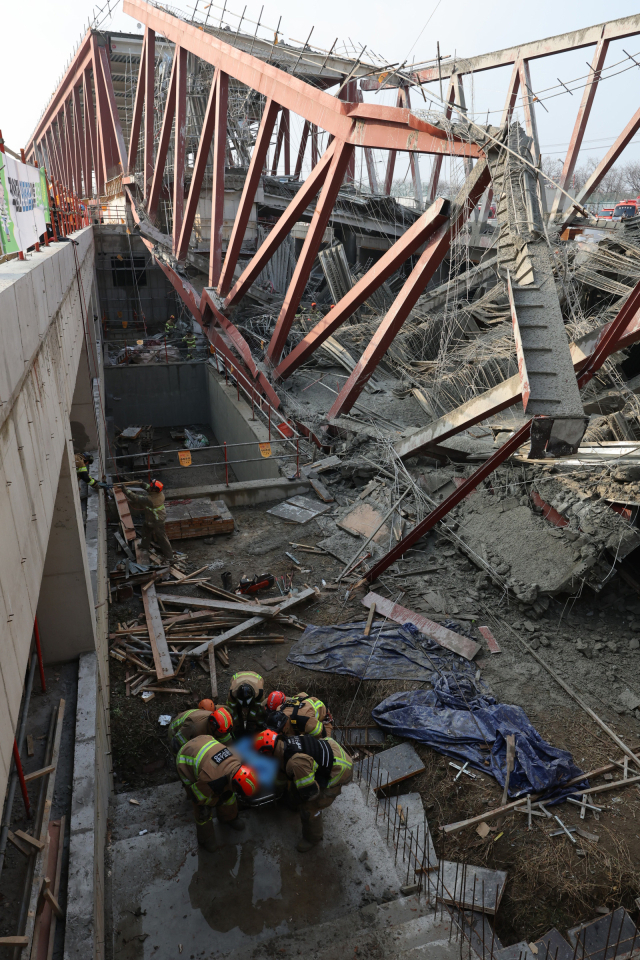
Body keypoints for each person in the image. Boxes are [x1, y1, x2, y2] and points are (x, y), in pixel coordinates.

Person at [254, 730, 352, 852]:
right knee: (297, 784)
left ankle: (312, 839)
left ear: (267, 752)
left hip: (340, 770)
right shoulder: (284, 744)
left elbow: (312, 793)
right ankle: (293, 803)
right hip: (330, 750)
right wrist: (277, 791)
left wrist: (302, 798)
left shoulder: (295, 763)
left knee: (309, 808)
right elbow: (282, 772)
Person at [176, 736, 258, 850]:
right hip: (185, 759)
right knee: (203, 810)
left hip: (204, 743)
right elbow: (197, 797)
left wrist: (224, 795)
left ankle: (229, 818)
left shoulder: (239, 758)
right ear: (234, 784)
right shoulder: (210, 780)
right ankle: (206, 840)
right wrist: (216, 800)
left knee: (228, 796)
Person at [123, 479, 173, 560]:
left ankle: (169, 556)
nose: (150, 487)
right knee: (145, 531)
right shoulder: (158, 493)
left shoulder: (151, 499)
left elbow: (135, 498)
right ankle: (144, 545)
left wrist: (125, 490)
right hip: (151, 519)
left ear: (155, 490)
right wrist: (142, 484)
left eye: (152, 486)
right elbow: (149, 488)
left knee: (162, 538)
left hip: (157, 521)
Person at [263, 691, 333, 739]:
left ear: (284, 727)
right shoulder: (279, 709)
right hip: (301, 702)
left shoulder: (306, 722)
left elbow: (322, 733)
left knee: (326, 742)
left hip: (322, 715)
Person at [168, 706, 234, 754]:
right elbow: (176, 744)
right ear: (213, 726)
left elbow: (226, 741)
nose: (224, 735)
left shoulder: (221, 727)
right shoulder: (193, 727)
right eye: (221, 733)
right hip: (176, 732)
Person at [226, 671, 265, 737]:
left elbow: (257, 707)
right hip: (237, 677)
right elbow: (232, 709)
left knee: (260, 709)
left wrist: (251, 721)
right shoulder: (232, 694)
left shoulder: (259, 693)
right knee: (235, 709)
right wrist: (236, 724)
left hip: (256, 677)